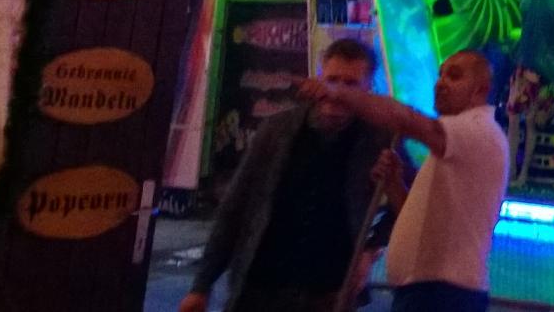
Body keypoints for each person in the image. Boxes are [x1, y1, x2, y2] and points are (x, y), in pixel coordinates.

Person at [186, 38, 396, 312]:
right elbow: (235, 206)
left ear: (368, 87)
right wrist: (201, 286)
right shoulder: (278, 130)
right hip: (260, 288)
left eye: (350, 84)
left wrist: (370, 248)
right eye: (332, 80)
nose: (337, 92)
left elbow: (407, 201)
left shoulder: (379, 138)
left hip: (329, 293)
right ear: (319, 77)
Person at [302, 49, 510, 312]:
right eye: (441, 75)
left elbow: (406, 119)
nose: (441, 83)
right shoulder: (459, 140)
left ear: (481, 90)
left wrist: (337, 93)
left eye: (454, 76)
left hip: (443, 295)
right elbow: (420, 221)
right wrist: (394, 184)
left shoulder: (477, 129)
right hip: (426, 293)